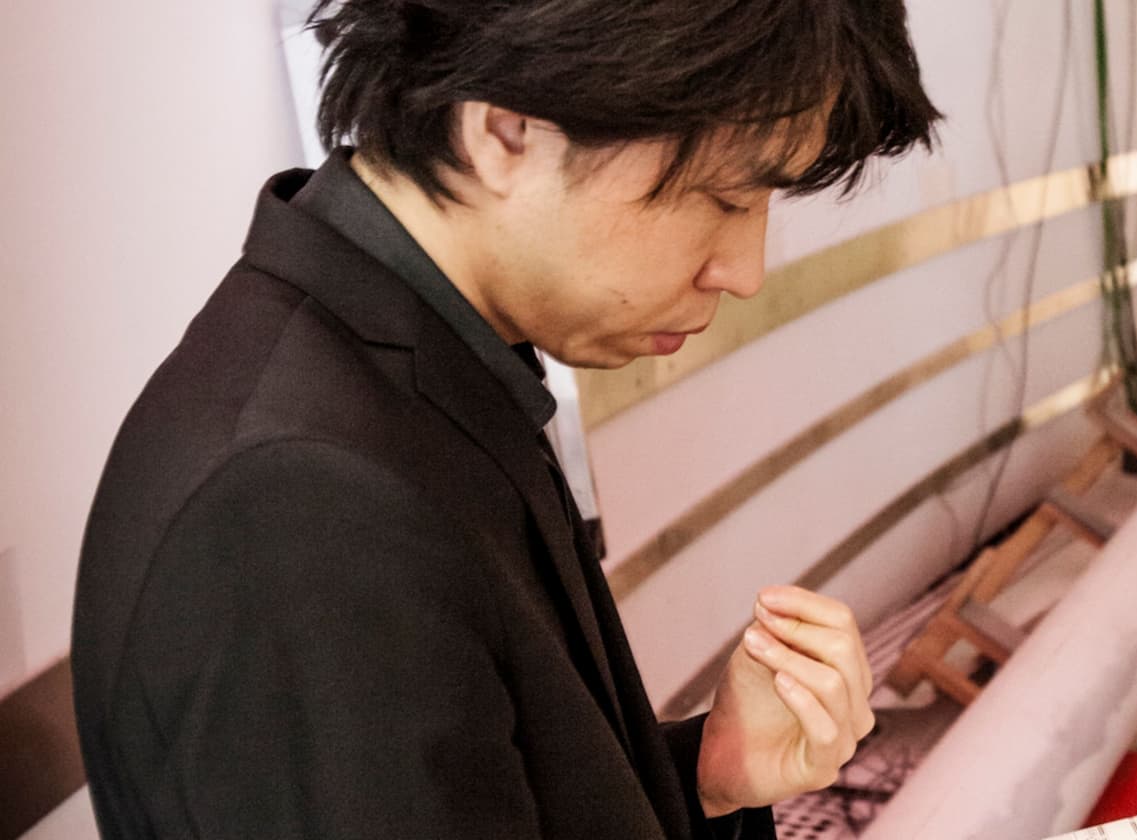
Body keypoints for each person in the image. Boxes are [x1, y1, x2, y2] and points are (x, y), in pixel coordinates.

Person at [69, 1, 940, 837]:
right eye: (726, 197)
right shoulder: (296, 505)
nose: (744, 271)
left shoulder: (418, 366)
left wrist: (704, 781)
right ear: (505, 130)